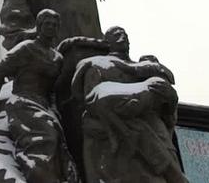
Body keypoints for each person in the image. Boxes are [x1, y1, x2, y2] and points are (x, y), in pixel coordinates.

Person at [71, 26, 187, 183]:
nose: (123, 37)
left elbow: (168, 106)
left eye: (125, 34)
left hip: (153, 125)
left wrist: (169, 102)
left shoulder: (147, 68)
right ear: (108, 42)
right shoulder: (98, 65)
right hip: (119, 130)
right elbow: (91, 101)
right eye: (117, 35)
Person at [0, 9, 78, 183]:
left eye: (54, 25)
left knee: (59, 145)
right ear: (39, 26)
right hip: (23, 101)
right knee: (46, 138)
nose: (51, 27)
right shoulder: (27, 48)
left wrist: (54, 110)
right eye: (47, 23)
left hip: (44, 105)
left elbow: (52, 90)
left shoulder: (57, 58)